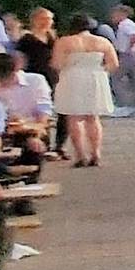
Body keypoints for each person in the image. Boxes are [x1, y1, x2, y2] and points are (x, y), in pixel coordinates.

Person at [50, 14, 117, 167]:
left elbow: (57, 64)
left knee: (73, 117)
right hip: (95, 77)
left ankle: (80, 155)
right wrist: (100, 71)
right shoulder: (102, 42)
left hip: (72, 77)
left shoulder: (65, 42)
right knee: (93, 117)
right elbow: (113, 64)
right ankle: (96, 153)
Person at [105, 4, 135, 114]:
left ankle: (122, 103)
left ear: (121, 14)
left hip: (128, 55)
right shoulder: (132, 25)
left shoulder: (124, 25)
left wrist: (128, 48)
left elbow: (134, 37)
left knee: (115, 78)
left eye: (114, 15)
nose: (112, 18)